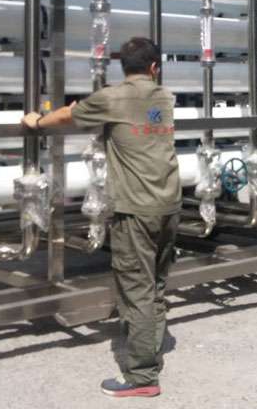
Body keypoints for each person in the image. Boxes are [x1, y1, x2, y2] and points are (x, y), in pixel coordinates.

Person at [22, 37, 181, 398]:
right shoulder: (165, 97)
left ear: (123, 67)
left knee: (136, 290)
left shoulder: (112, 97)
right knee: (155, 285)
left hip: (136, 209)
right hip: (169, 204)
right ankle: (150, 347)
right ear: (154, 67)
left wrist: (37, 120)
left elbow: (67, 117)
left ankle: (142, 377)